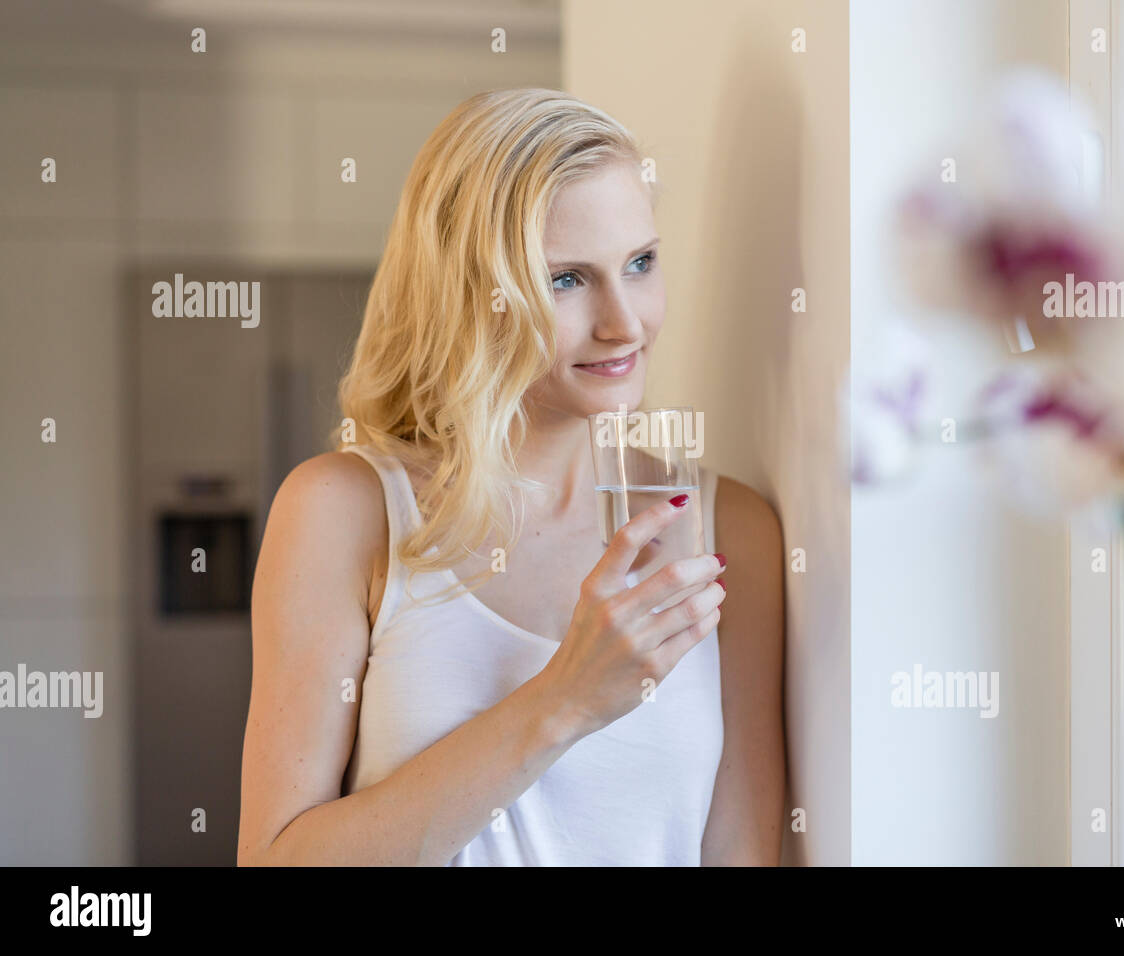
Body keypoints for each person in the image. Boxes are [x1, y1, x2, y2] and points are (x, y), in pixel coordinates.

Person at [236, 88, 786, 866]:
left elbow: (744, 849)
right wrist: (565, 699)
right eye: (567, 280)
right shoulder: (344, 511)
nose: (624, 322)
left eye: (639, 263)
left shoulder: (728, 530)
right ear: (469, 296)